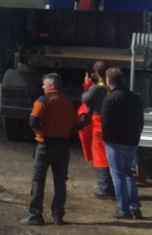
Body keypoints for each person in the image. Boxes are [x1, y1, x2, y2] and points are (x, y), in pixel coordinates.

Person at [21, 72, 79, 227]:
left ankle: (35, 215)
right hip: (63, 147)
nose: (42, 86)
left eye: (45, 84)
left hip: (45, 146)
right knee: (60, 182)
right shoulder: (68, 103)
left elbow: (33, 121)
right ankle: (58, 216)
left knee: (38, 181)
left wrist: (39, 130)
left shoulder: (43, 101)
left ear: (52, 86)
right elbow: (75, 124)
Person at [101, 67, 144, 220]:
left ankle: (123, 209)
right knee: (127, 174)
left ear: (108, 80)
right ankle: (135, 208)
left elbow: (105, 121)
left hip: (115, 141)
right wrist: (136, 136)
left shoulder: (110, 98)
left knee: (117, 174)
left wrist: (106, 138)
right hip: (131, 140)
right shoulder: (134, 98)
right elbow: (140, 119)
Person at [80, 60, 114, 198]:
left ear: (95, 73)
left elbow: (84, 99)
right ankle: (110, 185)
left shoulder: (97, 88)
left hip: (98, 124)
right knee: (109, 154)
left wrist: (87, 85)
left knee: (99, 155)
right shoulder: (111, 86)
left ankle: (104, 188)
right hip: (109, 123)